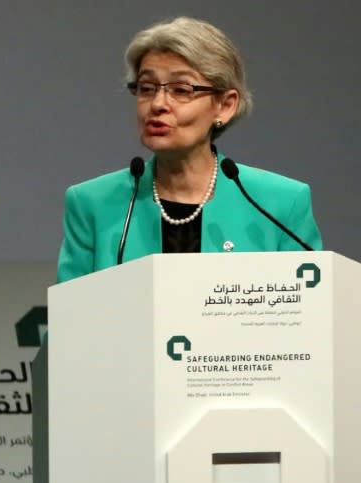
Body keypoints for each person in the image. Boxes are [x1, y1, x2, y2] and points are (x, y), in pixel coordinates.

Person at [57, 17, 322, 284]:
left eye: (181, 90)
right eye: (147, 88)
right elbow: (67, 319)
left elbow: (312, 312)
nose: (158, 104)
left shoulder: (281, 204)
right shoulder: (93, 203)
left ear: (225, 105)